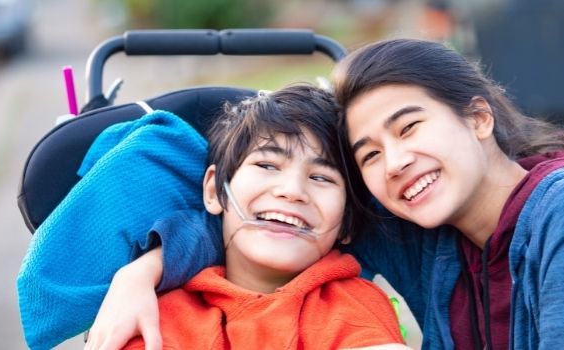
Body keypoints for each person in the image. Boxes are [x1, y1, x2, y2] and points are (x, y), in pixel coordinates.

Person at [87, 39, 564, 349]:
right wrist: (140, 272)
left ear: (479, 118)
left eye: (409, 128)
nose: (397, 162)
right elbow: (270, 226)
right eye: (368, 155)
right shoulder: (430, 237)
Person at [86, 85, 407, 349]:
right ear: (214, 191)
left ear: (348, 223)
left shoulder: (354, 307)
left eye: (322, 178)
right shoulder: (157, 315)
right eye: (267, 165)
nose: (292, 191)